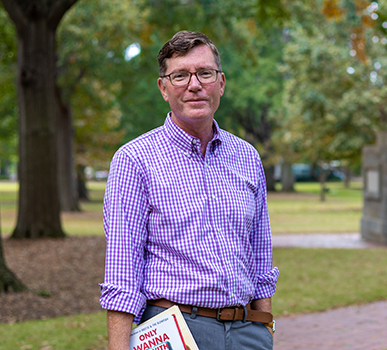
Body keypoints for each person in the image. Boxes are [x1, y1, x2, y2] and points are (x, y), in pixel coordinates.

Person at [101, 31, 278, 350]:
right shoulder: (135, 160)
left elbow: (260, 257)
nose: (194, 85)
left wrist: (265, 330)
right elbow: (122, 273)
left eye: (205, 73)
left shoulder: (247, 157)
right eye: (180, 75)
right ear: (163, 88)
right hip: (174, 330)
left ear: (221, 83)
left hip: (247, 333)